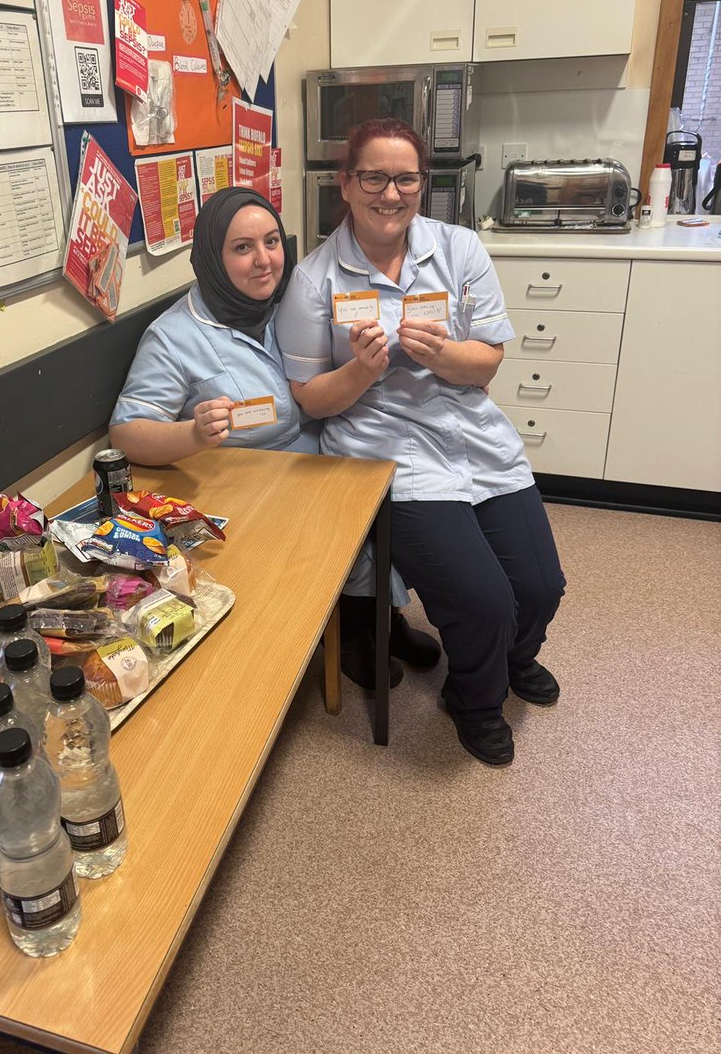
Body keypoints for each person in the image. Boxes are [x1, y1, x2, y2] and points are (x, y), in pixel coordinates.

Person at [275, 118, 566, 766]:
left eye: (405, 178)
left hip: (472, 436)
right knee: (482, 599)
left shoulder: (460, 251)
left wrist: (441, 355)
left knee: (542, 585)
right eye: (373, 177)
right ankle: (475, 699)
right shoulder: (314, 279)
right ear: (346, 184)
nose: (390, 192)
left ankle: (517, 658)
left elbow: (486, 362)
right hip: (389, 451)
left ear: (421, 184)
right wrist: (361, 371)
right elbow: (309, 397)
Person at [109, 186, 439, 680]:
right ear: (212, 258)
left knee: (396, 507)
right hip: (252, 481)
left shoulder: (296, 297)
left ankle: (384, 621)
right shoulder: (175, 335)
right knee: (339, 539)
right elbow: (126, 433)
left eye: (271, 241)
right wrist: (192, 435)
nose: (264, 261)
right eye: (242, 248)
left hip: (324, 448)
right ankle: (352, 635)